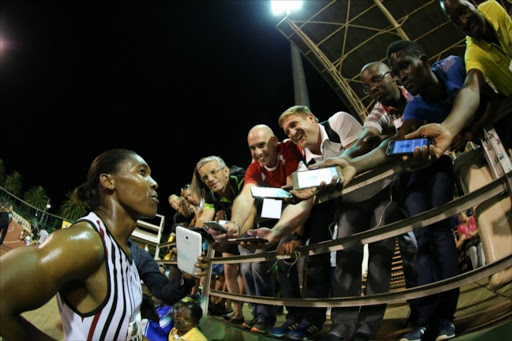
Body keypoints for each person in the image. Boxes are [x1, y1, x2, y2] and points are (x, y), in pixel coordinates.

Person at [0, 148, 157, 340]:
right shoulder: (86, 242)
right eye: (142, 172)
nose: (154, 183)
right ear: (108, 181)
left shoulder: (127, 254)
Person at [253, 106, 363, 340]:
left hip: (370, 195)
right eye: (287, 130)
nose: (292, 132)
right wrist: (286, 234)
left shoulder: (338, 121)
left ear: (312, 118)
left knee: (400, 246)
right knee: (317, 257)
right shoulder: (303, 158)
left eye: (294, 125)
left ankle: (410, 315)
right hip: (329, 205)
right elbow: (303, 200)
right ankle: (321, 321)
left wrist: (326, 170)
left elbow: (362, 149)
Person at [210, 124, 307, 335]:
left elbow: (296, 190)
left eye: (262, 145)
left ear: (274, 142)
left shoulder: (289, 149)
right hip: (275, 221)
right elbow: (246, 197)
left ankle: (296, 317)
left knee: (284, 262)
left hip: (299, 215)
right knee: (254, 266)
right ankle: (264, 315)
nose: (258, 152)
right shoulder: (254, 167)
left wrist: (298, 231)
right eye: (253, 148)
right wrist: (235, 224)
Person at [405, 0, 512, 158]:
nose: (464, 22)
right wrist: (449, 128)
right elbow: (471, 88)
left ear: (473, 3)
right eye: (456, 21)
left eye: (463, 11)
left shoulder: (492, 8)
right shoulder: (473, 55)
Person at [190, 156, 247, 325]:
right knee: (229, 270)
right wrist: (195, 235)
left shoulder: (241, 179)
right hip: (232, 231)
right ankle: (237, 312)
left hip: (254, 225)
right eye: (205, 177)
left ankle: (262, 314)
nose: (210, 179)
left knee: (248, 270)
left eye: (213, 172)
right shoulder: (211, 195)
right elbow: (205, 217)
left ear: (226, 171)